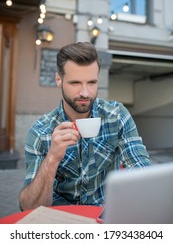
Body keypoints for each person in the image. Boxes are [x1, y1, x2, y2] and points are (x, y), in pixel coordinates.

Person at [19, 42, 151, 210]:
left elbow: (141, 168)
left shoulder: (116, 115)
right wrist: (52, 158)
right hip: (62, 221)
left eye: (91, 82)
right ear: (59, 80)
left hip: (106, 216)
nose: (85, 93)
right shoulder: (40, 132)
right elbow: (28, 207)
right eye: (75, 83)